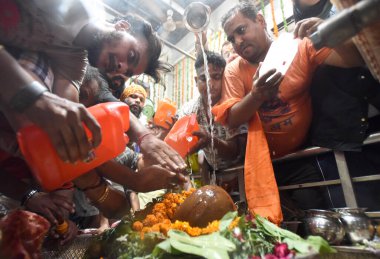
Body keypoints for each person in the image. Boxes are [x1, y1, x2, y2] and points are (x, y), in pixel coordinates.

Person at [212, 2, 364, 224]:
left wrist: (331, 32)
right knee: (271, 228)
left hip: (306, 156)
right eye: (231, 38)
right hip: (264, 165)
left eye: (241, 30)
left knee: (313, 221)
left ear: (261, 21)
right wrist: (256, 96)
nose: (237, 41)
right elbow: (232, 118)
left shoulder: (297, 46)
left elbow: (354, 60)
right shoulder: (235, 69)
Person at [0, 0, 186, 174]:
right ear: (123, 27)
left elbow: (68, 100)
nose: (120, 68)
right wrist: (36, 98)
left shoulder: (75, 56)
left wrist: (78, 139)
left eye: (128, 72)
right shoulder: (76, 6)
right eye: (131, 56)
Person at [177, 51, 247, 186]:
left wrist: (210, 140)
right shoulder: (189, 110)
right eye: (203, 78)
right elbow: (179, 139)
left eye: (216, 77)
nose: (209, 84)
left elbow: (236, 152)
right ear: (196, 81)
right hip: (214, 173)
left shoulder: (233, 105)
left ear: (225, 78)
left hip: (242, 171)